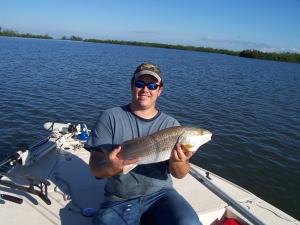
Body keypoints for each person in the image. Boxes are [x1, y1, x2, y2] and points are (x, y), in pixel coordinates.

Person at [85, 62, 202, 225]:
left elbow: (180, 174)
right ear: (132, 85)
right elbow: (95, 168)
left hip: (162, 195)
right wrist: (112, 167)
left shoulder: (172, 125)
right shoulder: (110, 117)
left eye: (152, 85)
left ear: (160, 90)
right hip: (120, 199)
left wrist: (179, 161)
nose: (146, 89)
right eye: (140, 83)